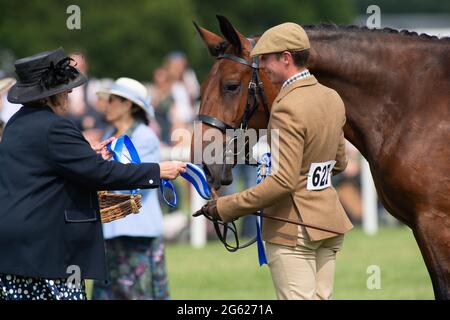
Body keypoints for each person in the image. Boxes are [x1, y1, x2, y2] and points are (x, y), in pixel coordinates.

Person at [0, 48, 186, 300]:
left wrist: (88, 157)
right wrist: (157, 171)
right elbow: (100, 173)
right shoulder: (56, 127)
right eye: (65, 88)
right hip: (46, 247)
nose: (69, 93)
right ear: (49, 96)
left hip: (13, 246)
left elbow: (52, 168)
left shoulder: (16, 124)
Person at [194, 23, 353, 300]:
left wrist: (225, 207)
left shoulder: (286, 105)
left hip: (293, 227)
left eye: (266, 58)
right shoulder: (332, 97)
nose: (262, 65)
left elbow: (283, 181)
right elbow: (339, 162)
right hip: (328, 224)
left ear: (286, 58)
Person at [92, 77, 170, 299]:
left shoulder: (145, 137)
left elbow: (138, 183)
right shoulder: (109, 135)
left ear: (128, 105)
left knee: (138, 293)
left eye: (113, 100)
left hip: (137, 232)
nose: (106, 104)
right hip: (110, 230)